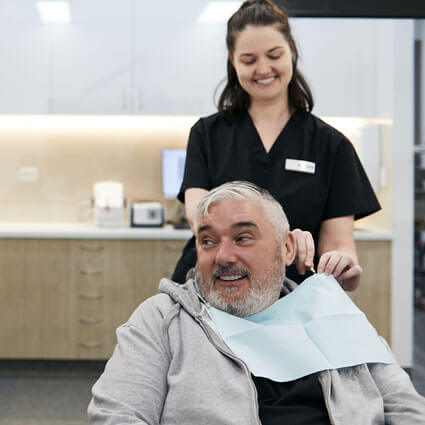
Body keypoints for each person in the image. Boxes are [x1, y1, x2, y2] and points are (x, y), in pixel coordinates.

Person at [88, 182, 425, 425]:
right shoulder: (162, 321)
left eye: (243, 237)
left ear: (288, 248)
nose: (223, 256)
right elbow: (115, 416)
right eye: (207, 241)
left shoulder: (331, 315)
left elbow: (408, 410)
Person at [172, 0, 380, 291]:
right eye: (248, 60)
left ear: (291, 50)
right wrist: (281, 239)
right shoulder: (207, 134)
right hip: (215, 290)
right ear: (232, 61)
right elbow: (201, 221)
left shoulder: (332, 146)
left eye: (274, 55)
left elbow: (339, 248)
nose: (263, 69)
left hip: (295, 297)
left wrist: (341, 266)